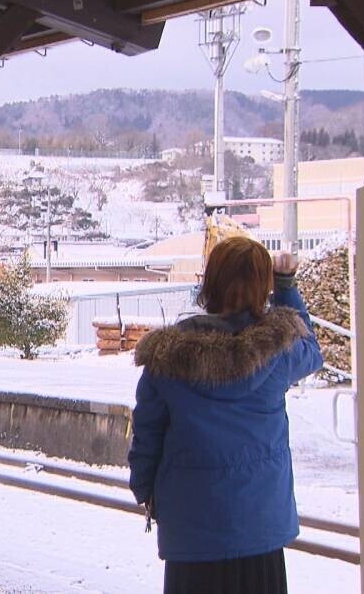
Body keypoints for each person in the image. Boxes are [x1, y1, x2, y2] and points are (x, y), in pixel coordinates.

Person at [129, 236, 323, 594]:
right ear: (262, 286)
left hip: (192, 529)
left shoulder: (166, 356)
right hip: (259, 526)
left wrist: (147, 491)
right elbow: (312, 349)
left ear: (210, 282)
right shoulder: (277, 352)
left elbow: (147, 434)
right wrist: (286, 288)